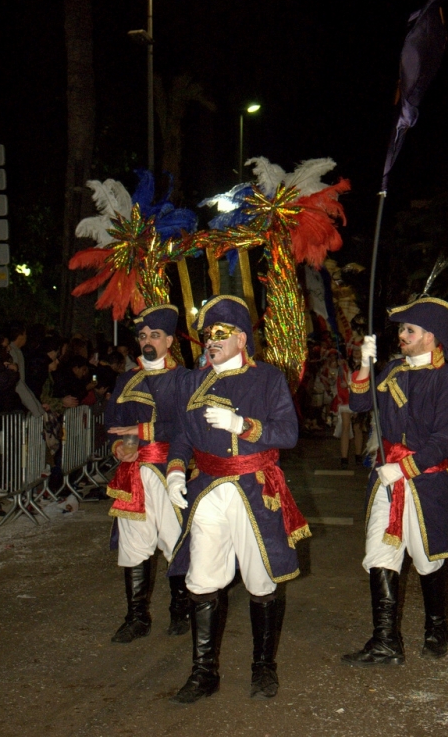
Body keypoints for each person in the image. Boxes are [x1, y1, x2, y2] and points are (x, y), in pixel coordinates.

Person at [166, 295, 310, 704]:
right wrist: (176, 467)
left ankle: (263, 668)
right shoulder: (191, 381)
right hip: (208, 489)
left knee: (262, 581)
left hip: (253, 489)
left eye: (220, 334)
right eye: (207, 334)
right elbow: (180, 433)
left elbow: (288, 434)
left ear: (242, 338)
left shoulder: (268, 378)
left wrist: (242, 425)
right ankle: (203, 671)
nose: (211, 341)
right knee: (202, 579)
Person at [342, 297, 448, 667]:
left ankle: (436, 628)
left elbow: (444, 442)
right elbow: (360, 404)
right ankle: (385, 641)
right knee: (380, 554)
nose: (401, 336)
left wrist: (403, 469)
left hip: (425, 483)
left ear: (431, 336)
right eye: (400, 329)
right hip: (386, 479)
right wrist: (365, 366)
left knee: (428, 560)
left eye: (409, 330)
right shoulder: (393, 370)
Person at [105, 304, 190, 644]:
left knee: (176, 540)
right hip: (133, 475)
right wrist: (120, 447)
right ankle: (136, 616)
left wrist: (141, 432)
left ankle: (180, 608)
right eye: (142, 336)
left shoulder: (184, 379)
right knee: (134, 545)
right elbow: (113, 424)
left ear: (169, 340)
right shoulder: (126, 380)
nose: (147, 341)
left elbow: (187, 427)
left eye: (155, 335)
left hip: (171, 470)